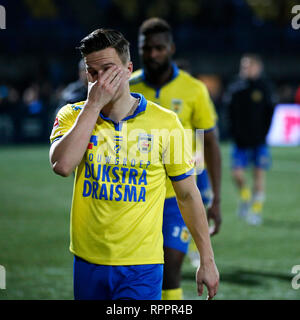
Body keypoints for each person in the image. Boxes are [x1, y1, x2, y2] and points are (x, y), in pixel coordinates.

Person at [49, 28, 219, 300]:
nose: (100, 80)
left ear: (128, 69)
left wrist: (207, 260)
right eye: (93, 73)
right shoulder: (73, 115)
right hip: (87, 260)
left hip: (142, 265)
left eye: (108, 69)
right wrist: (93, 106)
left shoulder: (165, 122)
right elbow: (62, 165)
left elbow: (188, 194)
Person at [130, 18, 222, 300]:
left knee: (170, 270)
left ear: (171, 48)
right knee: (137, 273)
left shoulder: (194, 89)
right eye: (147, 48)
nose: (153, 54)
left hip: (176, 195)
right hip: (135, 195)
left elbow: (209, 143)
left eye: (159, 48)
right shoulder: (128, 86)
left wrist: (216, 199)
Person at [224, 54, 276, 225]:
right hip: (240, 142)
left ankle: (256, 211)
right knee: (237, 174)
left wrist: (264, 133)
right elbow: (229, 112)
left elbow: (270, 112)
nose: (245, 70)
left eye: (248, 66)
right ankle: (246, 197)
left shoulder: (264, 87)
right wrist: (234, 132)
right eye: (243, 66)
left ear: (257, 68)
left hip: (259, 141)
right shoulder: (235, 88)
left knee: (259, 176)